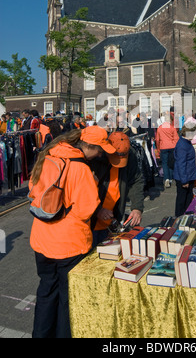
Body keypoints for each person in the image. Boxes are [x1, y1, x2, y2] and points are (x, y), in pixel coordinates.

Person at [29, 126, 116, 338]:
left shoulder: (49, 155)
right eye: (99, 150)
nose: (100, 154)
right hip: (69, 243)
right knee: (67, 300)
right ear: (88, 146)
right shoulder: (80, 168)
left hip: (42, 238)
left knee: (46, 292)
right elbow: (86, 208)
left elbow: (33, 189)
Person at [90, 131, 144, 246]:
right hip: (91, 220)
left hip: (112, 218)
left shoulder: (131, 155)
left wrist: (137, 208)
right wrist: (98, 209)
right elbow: (84, 191)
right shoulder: (95, 158)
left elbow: (136, 181)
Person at [173, 122, 196, 217]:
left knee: (188, 199)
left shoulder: (186, 142)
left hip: (188, 175)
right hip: (184, 178)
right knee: (182, 200)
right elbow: (181, 164)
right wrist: (184, 181)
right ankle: (179, 218)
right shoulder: (182, 145)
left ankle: (186, 216)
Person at [155, 114, 179, 188]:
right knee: (171, 163)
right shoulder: (172, 128)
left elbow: (157, 140)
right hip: (172, 146)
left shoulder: (160, 128)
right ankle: (171, 178)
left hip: (163, 147)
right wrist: (174, 145)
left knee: (164, 163)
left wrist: (158, 148)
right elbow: (176, 138)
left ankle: (166, 178)